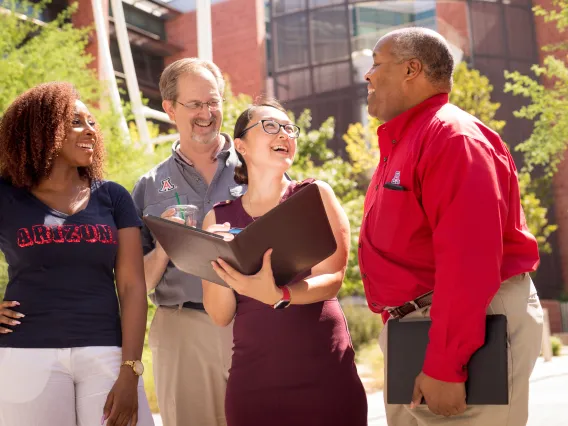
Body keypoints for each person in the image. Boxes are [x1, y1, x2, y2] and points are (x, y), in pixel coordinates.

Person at [359, 27, 544, 425]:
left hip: (468, 329)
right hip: (419, 329)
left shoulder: (452, 138)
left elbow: (470, 260)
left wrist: (446, 364)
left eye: (376, 64)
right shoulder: (404, 140)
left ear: (412, 69)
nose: (368, 76)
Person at [201, 99, 368, 426]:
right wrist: (218, 258)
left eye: (289, 128)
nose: (284, 134)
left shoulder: (315, 194)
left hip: (324, 374)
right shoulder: (217, 217)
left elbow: (332, 278)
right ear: (241, 146)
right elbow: (220, 315)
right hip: (253, 384)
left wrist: (280, 295)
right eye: (270, 126)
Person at [0, 82, 153, 426]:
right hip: (26, 356)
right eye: (75, 122)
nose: (91, 131)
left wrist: (131, 369)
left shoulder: (113, 197)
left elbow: (132, 288)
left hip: (107, 354)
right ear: (40, 130)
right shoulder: (6, 195)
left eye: (93, 122)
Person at [131, 58, 242, 426]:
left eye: (213, 102)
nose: (206, 114)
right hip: (183, 329)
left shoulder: (260, 165)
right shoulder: (148, 187)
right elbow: (137, 284)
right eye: (194, 104)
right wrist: (166, 245)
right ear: (169, 108)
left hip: (255, 321)